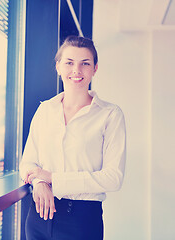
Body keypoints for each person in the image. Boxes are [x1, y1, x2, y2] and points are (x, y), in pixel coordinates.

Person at [19, 35, 126, 240]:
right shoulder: (45, 110)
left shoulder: (110, 114)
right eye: (69, 63)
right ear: (58, 66)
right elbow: (27, 163)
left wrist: (53, 179)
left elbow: (114, 178)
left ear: (95, 69)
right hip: (38, 216)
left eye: (85, 63)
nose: (76, 70)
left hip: (82, 221)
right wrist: (41, 182)